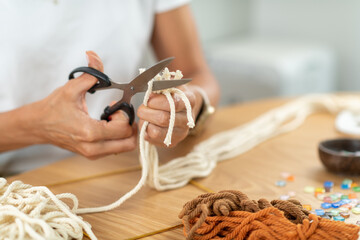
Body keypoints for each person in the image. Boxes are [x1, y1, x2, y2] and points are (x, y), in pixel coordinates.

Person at [0, 0, 219, 176]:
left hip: (118, 170)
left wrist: (189, 106)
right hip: (12, 182)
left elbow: (197, 75)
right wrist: (37, 125)